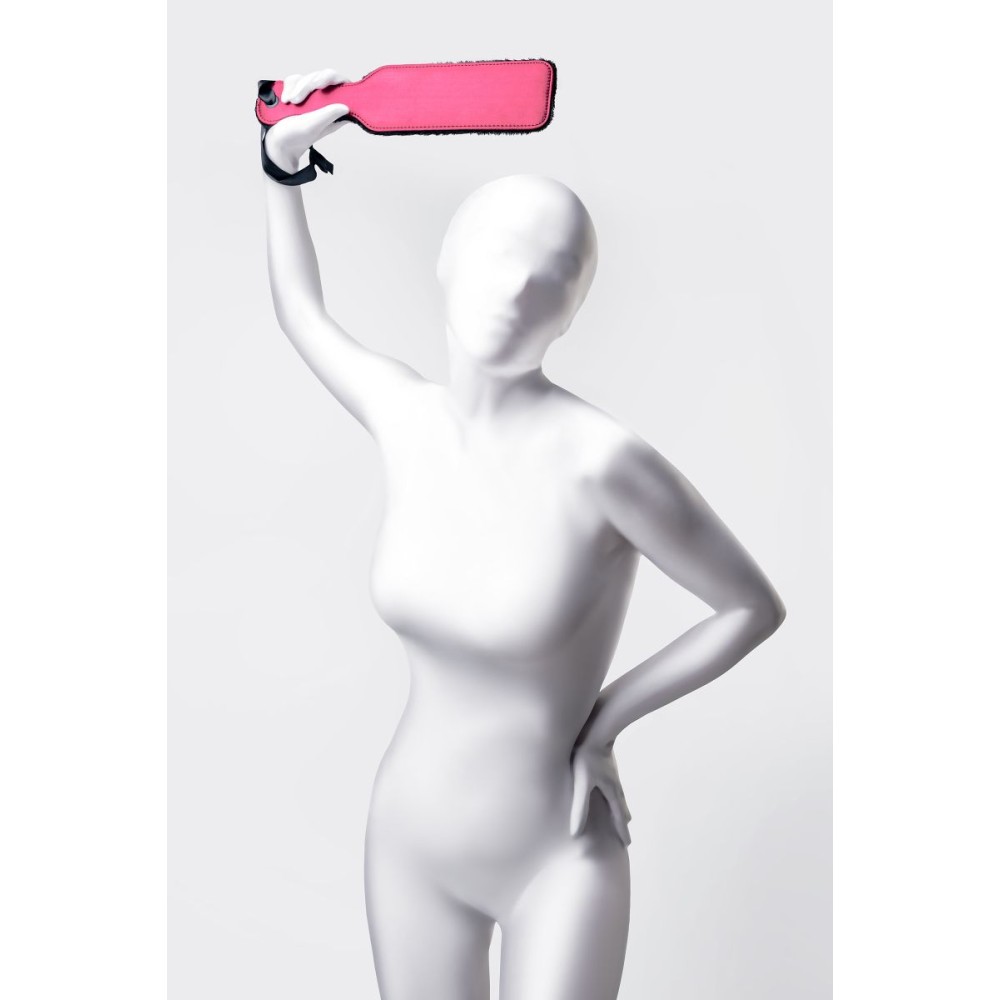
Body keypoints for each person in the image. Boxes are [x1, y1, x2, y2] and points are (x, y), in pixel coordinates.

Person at [260, 67, 786, 1000]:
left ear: (574, 309)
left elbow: (750, 607)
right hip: (411, 840)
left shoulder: (603, 463)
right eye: (502, 251)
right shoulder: (404, 416)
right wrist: (280, 168)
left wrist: (607, 723)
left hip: (559, 847)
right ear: (448, 261)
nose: (518, 286)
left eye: (556, 274)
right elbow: (302, 313)